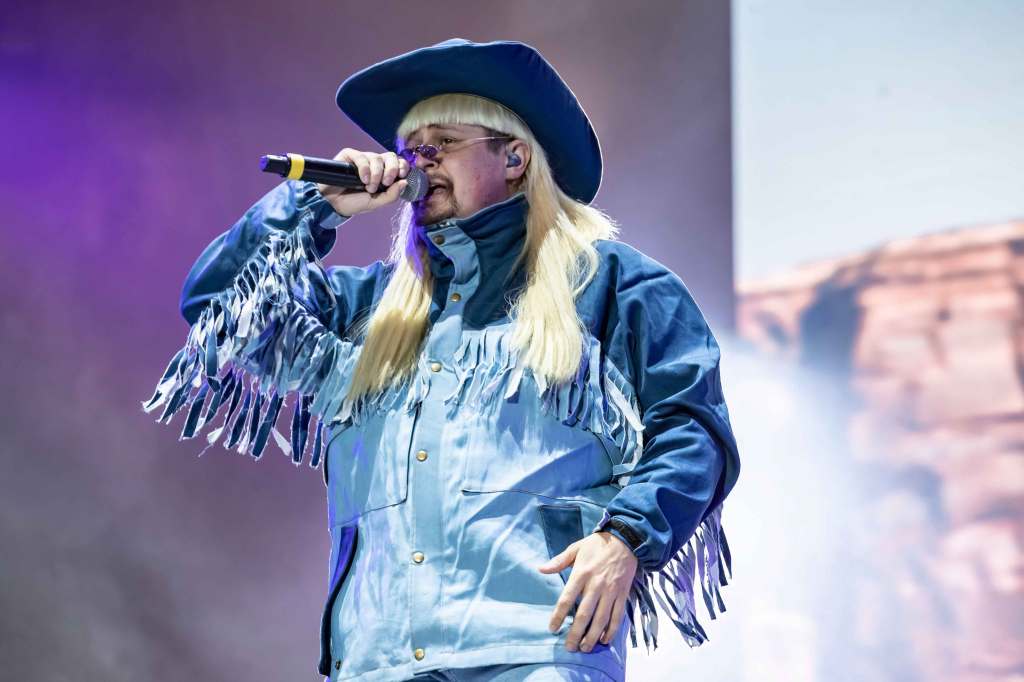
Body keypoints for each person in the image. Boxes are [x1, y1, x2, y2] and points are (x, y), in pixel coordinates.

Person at [142, 38, 741, 682]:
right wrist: (312, 202)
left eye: (441, 143)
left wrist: (625, 537)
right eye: (409, 147)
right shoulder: (369, 310)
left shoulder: (612, 287)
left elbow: (693, 431)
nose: (417, 162)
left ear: (513, 158)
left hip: (532, 653)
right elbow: (213, 303)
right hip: (380, 662)